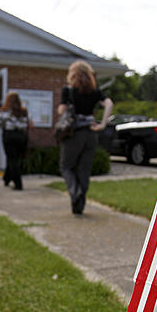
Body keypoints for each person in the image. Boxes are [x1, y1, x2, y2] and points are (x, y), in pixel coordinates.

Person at [58, 60, 113, 215]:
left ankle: (75, 193)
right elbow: (109, 104)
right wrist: (102, 124)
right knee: (84, 169)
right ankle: (78, 207)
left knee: (66, 167)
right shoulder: (95, 91)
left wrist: (64, 108)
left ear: (72, 74)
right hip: (91, 133)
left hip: (74, 133)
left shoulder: (68, 91)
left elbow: (61, 111)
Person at [0, 92, 32, 190]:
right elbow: (31, 124)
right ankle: (6, 179)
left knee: (12, 160)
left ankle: (18, 184)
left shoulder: (4, 112)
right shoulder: (24, 112)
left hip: (9, 136)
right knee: (13, 158)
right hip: (21, 137)